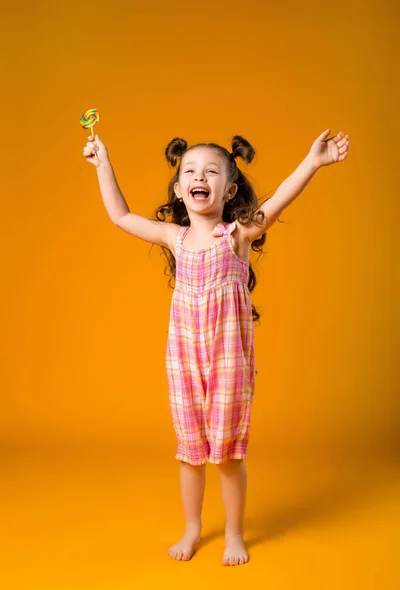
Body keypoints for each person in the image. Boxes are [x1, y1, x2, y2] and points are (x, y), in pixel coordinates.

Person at [82, 128, 350, 566]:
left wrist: (313, 161)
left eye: (211, 171)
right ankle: (191, 528)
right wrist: (103, 163)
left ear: (229, 189)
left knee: (226, 453)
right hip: (184, 362)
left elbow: (280, 196)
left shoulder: (238, 235)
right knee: (190, 451)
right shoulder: (175, 238)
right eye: (189, 171)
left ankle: (234, 534)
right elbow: (121, 216)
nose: (198, 176)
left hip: (228, 363)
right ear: (178, 189)